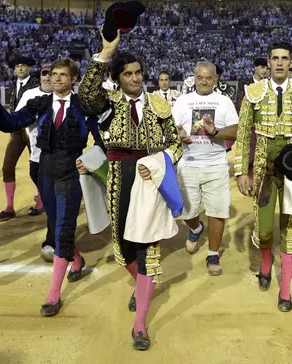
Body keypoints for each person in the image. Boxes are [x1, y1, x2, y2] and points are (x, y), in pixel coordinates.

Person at [77, 28, 181, 351]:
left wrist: (162, 164)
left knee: (147, 247)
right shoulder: (107, 102)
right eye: (127, 74)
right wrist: (105, 53)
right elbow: (84, 96)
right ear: (118, 77)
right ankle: (142, 286)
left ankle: (140, 325)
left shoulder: (160, 105)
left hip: (149, 176)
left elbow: (175, 144)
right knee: (122, 246)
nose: (134, 78)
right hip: (119, 174)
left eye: (138, 73)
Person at [0, 57, 103, 317]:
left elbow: (101, 140)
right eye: (53, 74)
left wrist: (90, 161)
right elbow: (11, 123)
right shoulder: (40, 103)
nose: (56, 78)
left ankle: (53, 294)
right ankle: (78, 259)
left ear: (73, 79)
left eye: (62, 75)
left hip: (72, 170)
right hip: (46, 170)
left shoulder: (84, 107)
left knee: (62, 226)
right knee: (57, 221)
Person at [235, 42, 292, 312]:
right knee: (263, 229)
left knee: (289, 228)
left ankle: (285, 291)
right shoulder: (253, 92)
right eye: (275, 58)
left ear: (291, 62)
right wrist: (241, 170)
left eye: (285, 58)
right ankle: (265, 262)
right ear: (269, 63)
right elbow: (242, 132)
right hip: (264, 168)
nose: (280, 63)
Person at [173, 61, 238, 276]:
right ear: (194, 78)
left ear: (215, 80)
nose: (204, 81)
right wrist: (179, 135)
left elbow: (234, 131)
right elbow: (172, 130)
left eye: (208, 78)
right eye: (200, 77)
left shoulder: (224, 101)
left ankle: (213, 253)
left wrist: (214, 132)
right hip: (188, 164)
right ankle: (196, 228)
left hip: (216, 164)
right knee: (186, 212)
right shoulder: (182, 102)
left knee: (217, 211)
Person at [15, 65, 53, 260]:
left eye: (52, 74)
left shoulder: (69, 98)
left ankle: (53, 239)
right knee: (49, 200)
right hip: (36, 157)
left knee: (55, 201)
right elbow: (15, 120)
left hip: (60, 161)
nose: (47, 77)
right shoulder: (30, 95)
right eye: (44, 74)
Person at [0, 56, 39, 220]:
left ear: (29, 68)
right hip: (18, 131)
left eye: (23, 66)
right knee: (8, 166)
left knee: (37, 164)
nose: (20, 68)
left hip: (33, 129)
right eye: (18, 66)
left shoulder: (36, 85)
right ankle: (9, 206)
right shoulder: (14, 86)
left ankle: (40, 199)